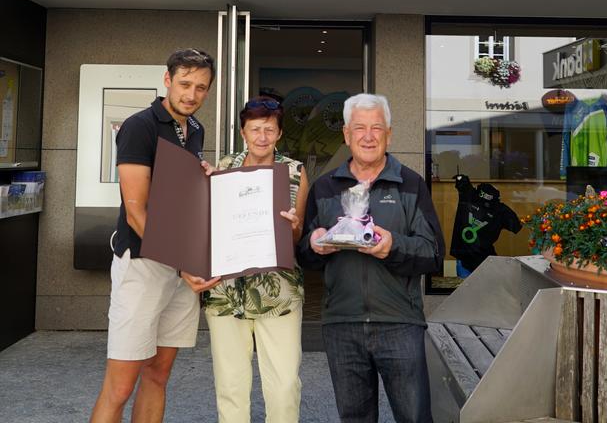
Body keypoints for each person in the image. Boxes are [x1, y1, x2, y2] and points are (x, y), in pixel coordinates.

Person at [297, 93, 445, 423]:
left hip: (400, 325)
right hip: (342, 324)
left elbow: (434, 254)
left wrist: (393, 246)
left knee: (415, 416)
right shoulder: (324, 188)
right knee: (355, 418)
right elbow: (305, 256)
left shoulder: (411, 184)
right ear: (347, 135)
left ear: (389, 134)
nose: (368, 136)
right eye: (359, 128)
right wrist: (315, 244)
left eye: (377, 127)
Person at [90, 48, 220, 423]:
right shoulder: (139, 126)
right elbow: (136, 212)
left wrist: (204, 179)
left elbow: (177, 192)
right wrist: (185, 264)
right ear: (167, 80)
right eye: (184, 84)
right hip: (145, 265)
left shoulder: (195, 129)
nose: (191, 94)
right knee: (120, 387)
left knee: (158, 376)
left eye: (201, 87)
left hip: (180, 269)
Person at [202, 95, 308, 423]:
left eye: (270, 129)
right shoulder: (222, 167)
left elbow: (297, 236)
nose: (262, 136)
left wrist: (293, 227)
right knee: (230, 384)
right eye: (255, 129)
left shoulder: (294, 171)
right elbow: (208, 225)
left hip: (279, 292)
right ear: (243, 132)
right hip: (225, 291)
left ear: (279, 133)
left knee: (284, 383)